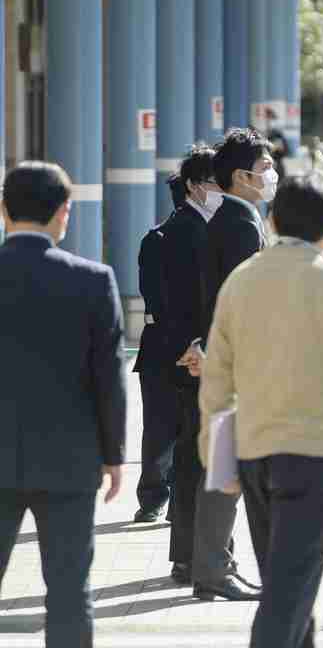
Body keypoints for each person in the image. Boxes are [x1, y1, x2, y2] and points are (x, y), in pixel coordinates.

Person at [199, 176, 323, 648]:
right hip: (315, 460)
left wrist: (216, 459)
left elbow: (217, 378)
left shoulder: (240, 281)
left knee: (288, 589)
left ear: (274, 221)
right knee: (286, 597)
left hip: (253, 455)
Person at [0, 161, 127, 647]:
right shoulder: (93, 281)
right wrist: (114, 455)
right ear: (64, 214)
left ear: (5, 210)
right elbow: (108, 377)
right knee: (71, 592)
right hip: (70, 460)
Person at [180, 127, 273, 602]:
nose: (271, 176)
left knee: (222, 466)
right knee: (224, 470)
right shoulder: (240, 223)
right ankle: (214, 568)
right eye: (264, 169)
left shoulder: (233, 218)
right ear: (241, 176)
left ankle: (216, 565)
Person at [157, 144, 230, 587]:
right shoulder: (174, 232)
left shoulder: (219, 227)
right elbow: (166, 303)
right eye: (211, 184)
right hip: (190, 364)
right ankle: (190, 558)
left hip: (209, 358)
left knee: (201, 461)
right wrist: (190, 347)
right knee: (192, 463)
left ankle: (198, 556)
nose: (217, 192)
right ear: (192, 187)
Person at [133, 189, 183, 524]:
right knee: (166, 426)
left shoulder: (155, 238)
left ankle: (154, 498)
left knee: (158, 425)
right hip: (169, 343)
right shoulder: (163, 238)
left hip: (158, 343)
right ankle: (159, 496)